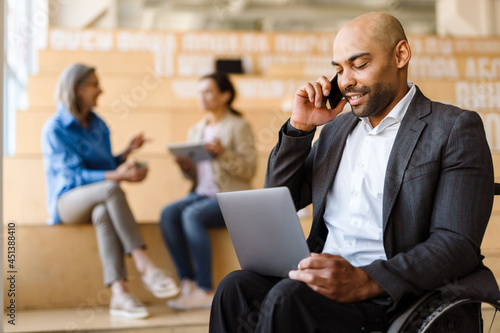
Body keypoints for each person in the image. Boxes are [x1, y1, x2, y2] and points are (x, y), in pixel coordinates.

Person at [209, 12, 500, 333]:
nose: (345, 81)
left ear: (401, 55)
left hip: (393, 290)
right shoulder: (336, 129)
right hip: (320, 272)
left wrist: (367, 279)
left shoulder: (452, 127)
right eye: (338, 69)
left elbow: (456, 244)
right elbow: (281, 197)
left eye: (359, 65)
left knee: (287, 297)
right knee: (234, 288)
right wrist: (300, 127)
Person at [41, 63, 179, 320]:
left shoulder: (99, 125)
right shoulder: (55, 128)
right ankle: (145, 265)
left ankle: (119, 293)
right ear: (78, 88)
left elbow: (105, 168)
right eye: (95, 84)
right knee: (110, 188)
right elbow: (73, 176)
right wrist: (119, 176)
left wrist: (125, 155)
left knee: (103, 211)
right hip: (67, 202)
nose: (101, 90)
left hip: (97, 199)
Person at [160, 72, 257, 310]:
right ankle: (189, 283)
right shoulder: (197, 130)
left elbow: (248, 170)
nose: (201, 97)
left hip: (230, 197)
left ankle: (205, 288)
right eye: (199, 91)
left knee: (191, 215)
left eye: (208, 91)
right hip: (201, 195)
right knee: (168, 214)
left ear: (225, 95)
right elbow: (196, 175)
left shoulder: (238, 126)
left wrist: (223, 154)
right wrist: (186, 168)